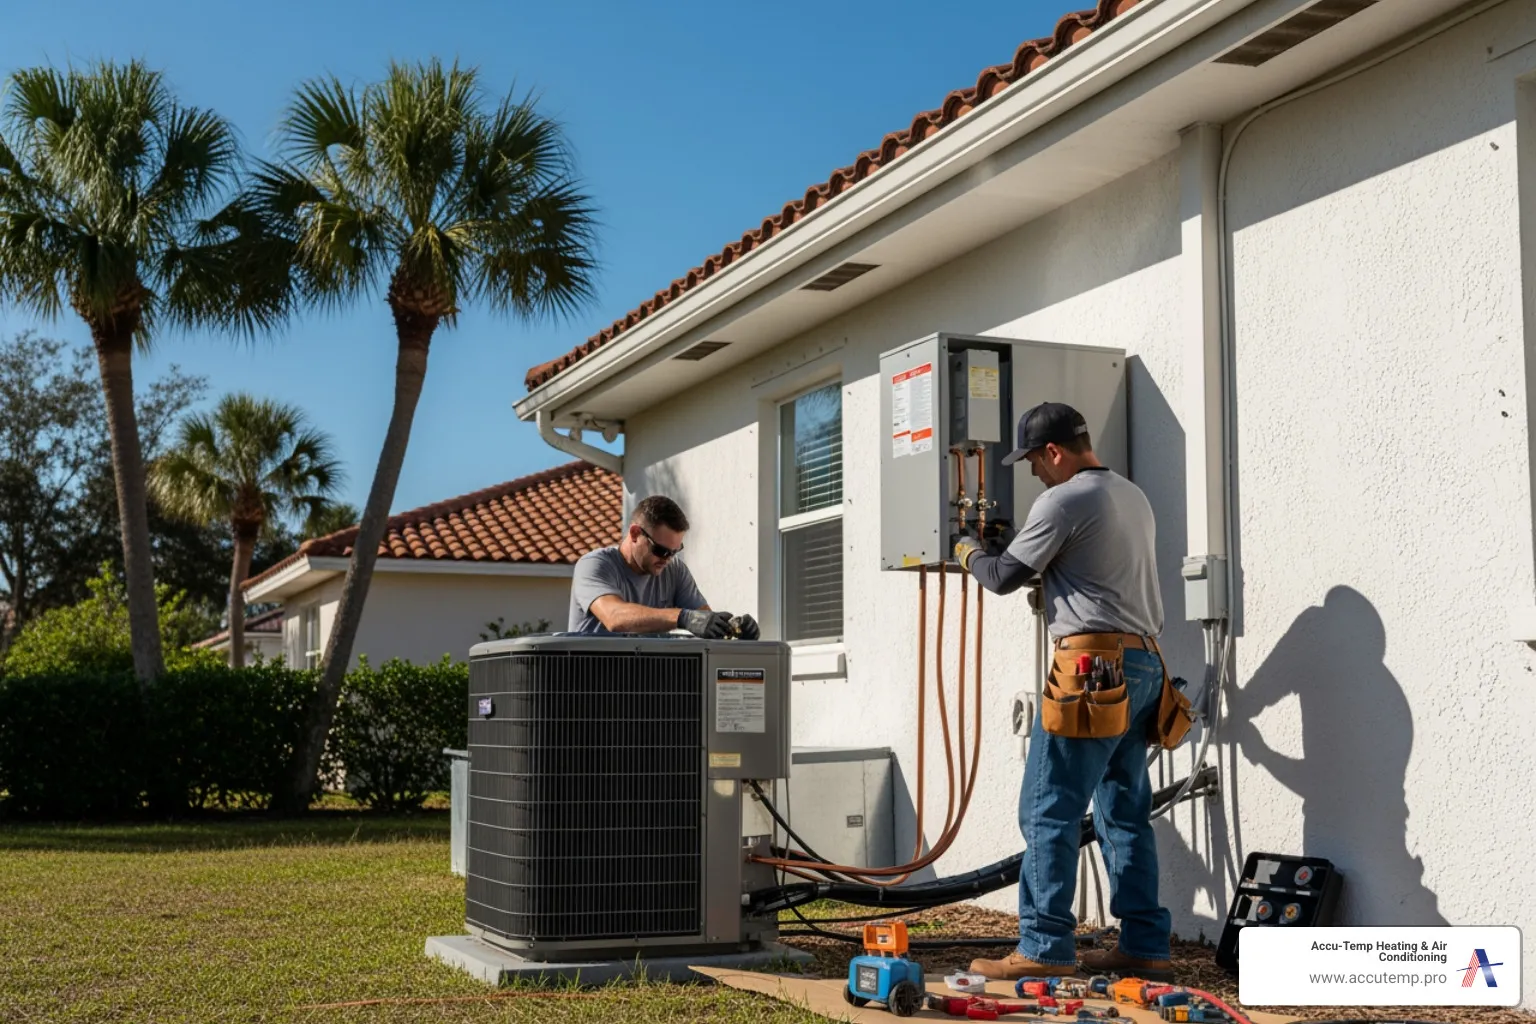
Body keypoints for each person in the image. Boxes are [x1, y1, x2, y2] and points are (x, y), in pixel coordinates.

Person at [954, 402, 1173, 982]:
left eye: (1032, 461)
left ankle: (1044, 945)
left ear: (1054, 452)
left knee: (1048, 807)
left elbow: (1001, 578)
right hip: (1145, 664)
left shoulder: (1062, 499)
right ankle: (1145, 944)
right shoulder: (1131, 495)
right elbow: (1080, 565)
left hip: (1092, 668)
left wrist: (967, 551)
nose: (1031, 474)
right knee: (1125, 812)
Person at [568, 494, 760, 639]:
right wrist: (683, 618)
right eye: (661, 550)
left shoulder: (674, 570)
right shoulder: (595, 565)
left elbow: (704, 620)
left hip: (646, 686)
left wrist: (734, 630)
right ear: (635, 534)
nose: (667, 559)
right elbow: (614, 617)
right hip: (591, 684)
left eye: (675, 551)